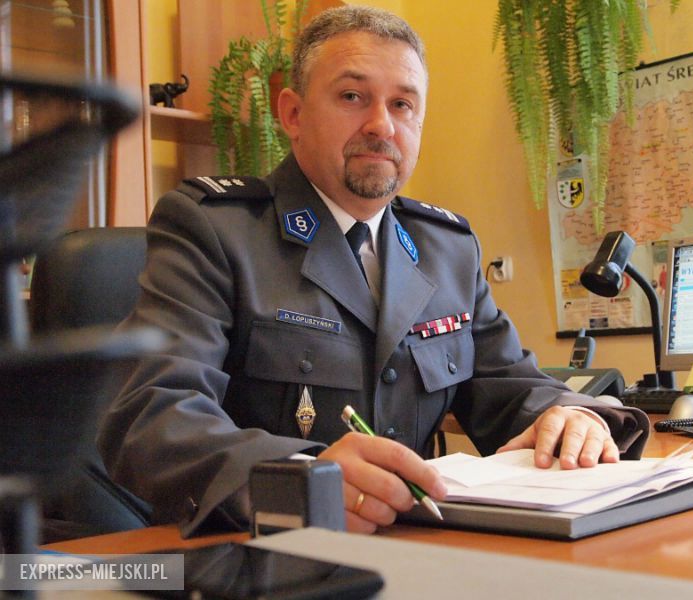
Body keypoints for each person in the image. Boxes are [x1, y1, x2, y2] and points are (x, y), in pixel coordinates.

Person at [98, 5, 649, 537]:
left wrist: (569, 415)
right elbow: (152, 416)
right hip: (264, 552)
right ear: (292, 114)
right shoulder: (216, 230)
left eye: (403, 104)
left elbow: (508, 385)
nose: (381, 125)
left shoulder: (446, 248)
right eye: (352, 97)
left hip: (422, 549)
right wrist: (301, 479)